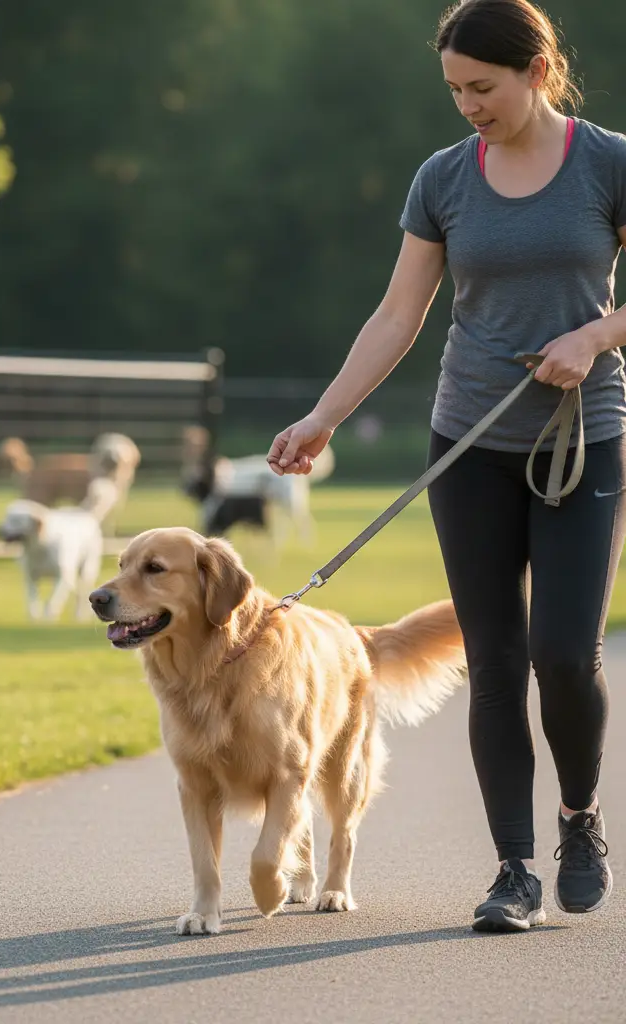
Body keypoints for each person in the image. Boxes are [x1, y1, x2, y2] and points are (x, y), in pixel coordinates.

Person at [267, 0, 626, 933]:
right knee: (497, 661)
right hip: (469, 441)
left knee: (563, 653)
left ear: (537, 71)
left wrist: (596, 333)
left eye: (483, 87)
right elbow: (397, 314)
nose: (467, 105)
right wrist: (321, 418)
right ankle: (513, 870)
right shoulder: (443, 179)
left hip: (584, 437)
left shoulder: (608, 163)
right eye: (454, 90)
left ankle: (580, 820)